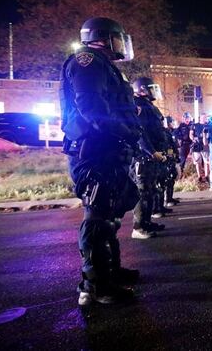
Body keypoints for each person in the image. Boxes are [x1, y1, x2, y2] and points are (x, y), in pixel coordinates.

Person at [59, 17, 142, 305]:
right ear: (104, 37)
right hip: (94, 151)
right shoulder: (87, 61)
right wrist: (125, 132)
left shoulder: (104, 65)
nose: (121, 45)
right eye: (117, 39)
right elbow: (92, 107)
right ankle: (96, 286)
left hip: (108, 149)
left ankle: (110, 271)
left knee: (110, 214)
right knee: (97, 216)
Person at [131, 77, 169, 236]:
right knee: (143, 191)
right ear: (142, 89)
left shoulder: (148, 105)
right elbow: (139, 132)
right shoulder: (138, 105)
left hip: (152, 155)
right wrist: (151, 151)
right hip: (144, 156)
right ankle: (138, 227)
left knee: (151, 190)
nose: (154, 91)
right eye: (151, 88)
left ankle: (146, 222)